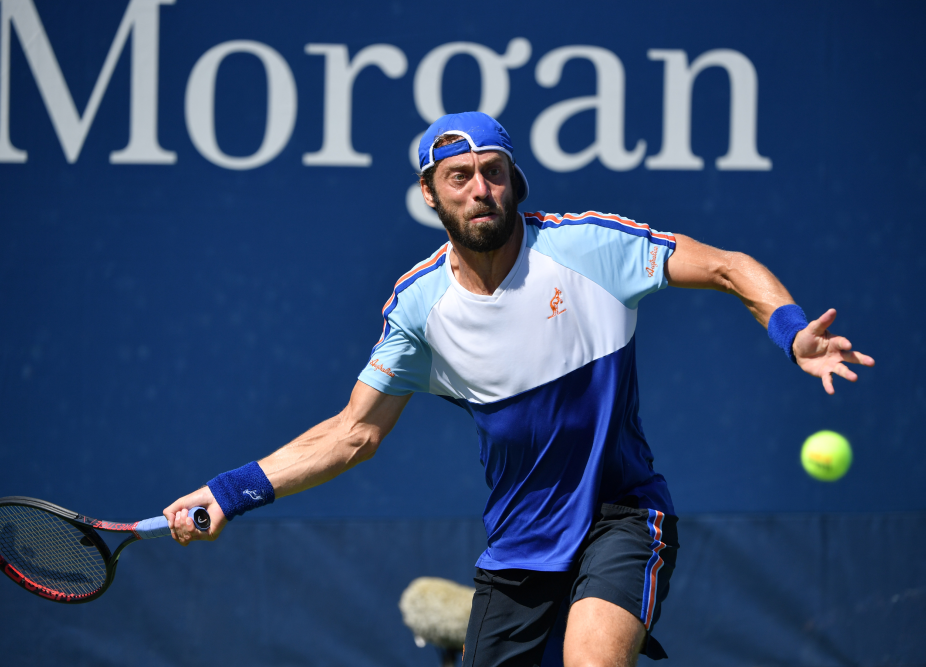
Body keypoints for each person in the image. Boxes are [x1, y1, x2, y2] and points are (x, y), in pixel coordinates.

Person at [164, 112, 874, 667]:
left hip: (623, 515)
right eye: (459, 177)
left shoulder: (587, 248)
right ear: (430, 193)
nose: (480, 189)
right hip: (520, 546)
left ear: (515, 181)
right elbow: (354, 433)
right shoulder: (418, 309)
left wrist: (791, 330)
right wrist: (229, 492)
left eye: (493, 172)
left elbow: (725, 266)